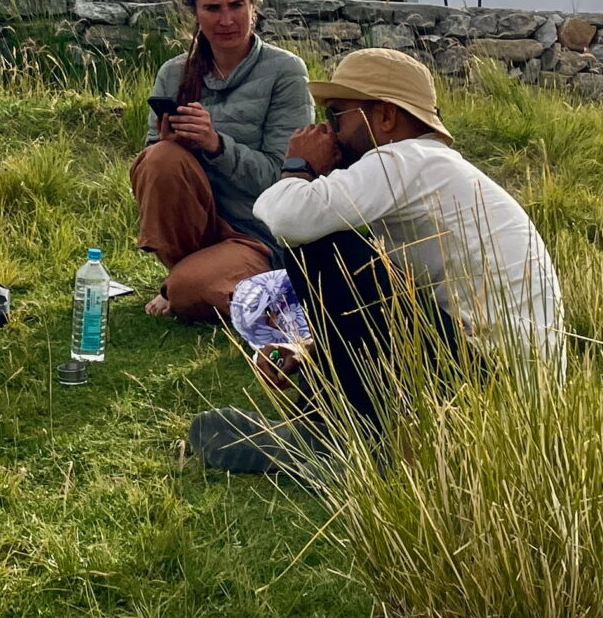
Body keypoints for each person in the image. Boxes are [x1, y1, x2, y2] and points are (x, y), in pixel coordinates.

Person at [189, 47, 565, 476]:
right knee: (351, 254)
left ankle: (346, 443)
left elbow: (286, 218)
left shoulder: (405, 159)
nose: (327, 131)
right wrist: (311, 351)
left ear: (385, 117)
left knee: (319, 243)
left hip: (487, 383)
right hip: (508, 391)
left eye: (336, 115)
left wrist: (300, 164)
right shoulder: (428, 166)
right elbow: (404, 305)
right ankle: (351, 433)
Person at [132, 0, 312, 323]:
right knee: (159, 159)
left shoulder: (285, 72)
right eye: (212, 8)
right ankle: (186, 276)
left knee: (189, 291)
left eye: (236, 5)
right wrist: (172, 145)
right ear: (195, 13)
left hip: (256, 234)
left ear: (253, 6)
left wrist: (216, 145)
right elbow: (149, 177)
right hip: (197, 227)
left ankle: (195, 285)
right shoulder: (173, 74)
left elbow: (285, 180)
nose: (226, 20)